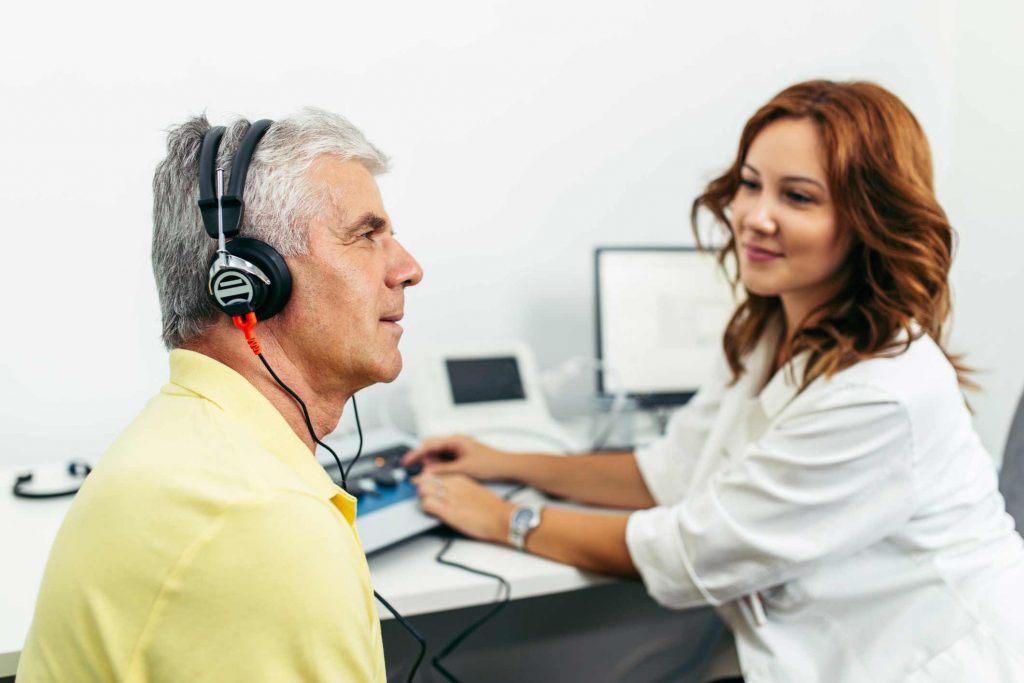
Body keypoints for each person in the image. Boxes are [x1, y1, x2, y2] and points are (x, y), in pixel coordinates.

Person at [403, 80, 1024, 681]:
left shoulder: (883, 392)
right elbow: (672, 470)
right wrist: (508, 461)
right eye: (750, 185)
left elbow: (691, 551)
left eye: (798, 197)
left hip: (924, 661)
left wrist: (502, 519)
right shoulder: (770, 331)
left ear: (869, 219)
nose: (755, 216)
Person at [18, 109, 422, 682]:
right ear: (250, 280)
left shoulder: (184, 441)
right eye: (366, 235)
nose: (409, 268)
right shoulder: (264, 521)